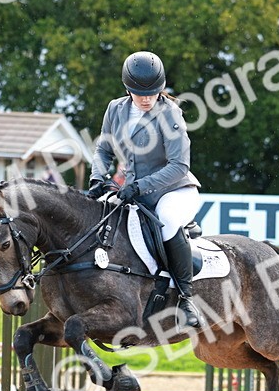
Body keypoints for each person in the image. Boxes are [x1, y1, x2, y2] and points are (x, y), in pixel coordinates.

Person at [86, 51, 203, 329]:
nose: (148, 98)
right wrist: (97, 177)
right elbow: (103, 150)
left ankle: (186, 298)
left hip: (174, 190)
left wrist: (137, 186)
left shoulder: (170, 114)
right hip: (133, 192)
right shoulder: (115, 109)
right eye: (141, 94)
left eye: (153, 92)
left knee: (167, 222)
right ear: (127, 89)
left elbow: (179, 166)